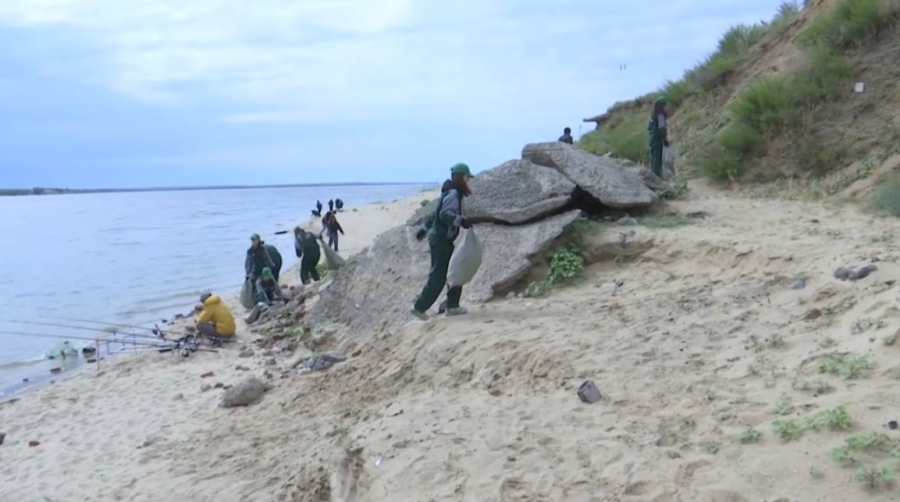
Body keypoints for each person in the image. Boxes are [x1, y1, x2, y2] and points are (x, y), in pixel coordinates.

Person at [411, 163, 474, 320]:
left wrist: (424, 228)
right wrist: (461, 220)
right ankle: (419, 307)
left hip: (440, 239)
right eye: (467, 178)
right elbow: (444, 215)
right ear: (461, 177)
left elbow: (435, 213)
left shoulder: (450, 191)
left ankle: (452, 305)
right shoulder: (453, 194)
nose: (468, 181)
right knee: (439, 276)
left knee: (455, 270)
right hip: (440, 240)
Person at [648, 96, 669, 178]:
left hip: (652, 138)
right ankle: (657, 177)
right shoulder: (660, 115)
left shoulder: (652, 115)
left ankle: (653, 175)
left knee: (653, 158)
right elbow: (662, 128)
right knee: (658, 158)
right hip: (657, 138)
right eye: (665, 105)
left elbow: (649, 128)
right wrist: (664, 139)